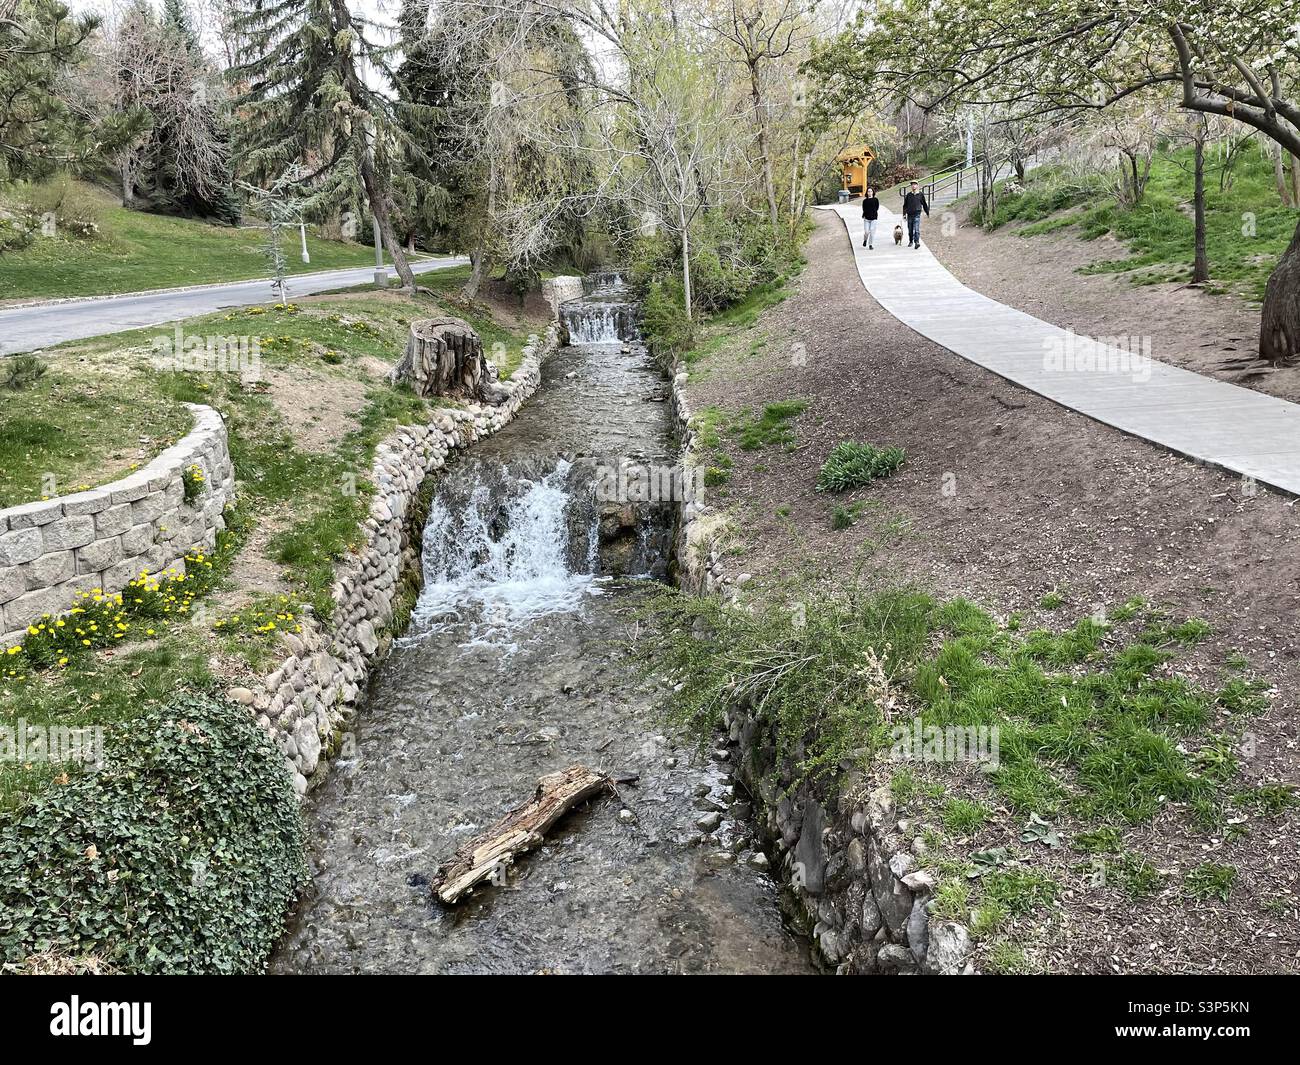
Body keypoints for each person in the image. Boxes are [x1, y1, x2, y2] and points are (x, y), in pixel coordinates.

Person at [901, 181, 929, 249]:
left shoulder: (920, 194)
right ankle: (911, 241)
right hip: (910, 214)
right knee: (910, 230)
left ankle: (917, 242)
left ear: (917, 186)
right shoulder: (908, 195)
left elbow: (924, 204)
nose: (913, 186)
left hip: (917, 214)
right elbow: (905, 205)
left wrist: (927, 212)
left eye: (914, 184)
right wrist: (904, 214)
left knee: (916, 229)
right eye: (912, 185)